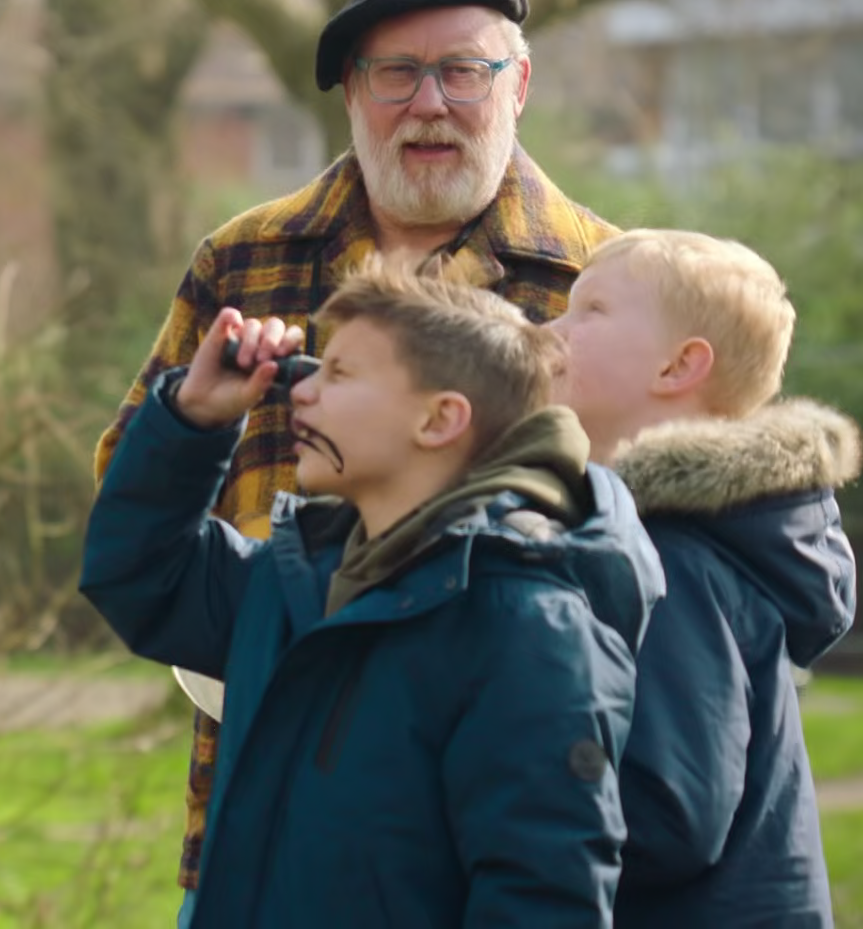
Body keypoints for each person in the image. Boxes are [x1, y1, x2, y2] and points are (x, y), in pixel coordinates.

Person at [93, 0, 621, 921]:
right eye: (395, 73)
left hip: (507, 805)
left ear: (519, 86)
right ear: (350, 93)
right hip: (269, 795)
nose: (429, 104)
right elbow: (134, 504)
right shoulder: (243, 259)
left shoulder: (601, 282)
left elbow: (653, 543)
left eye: (463, 71)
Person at [82, 259, 664, 927]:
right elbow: (138, 575)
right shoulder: (297, 583)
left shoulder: (529, 630)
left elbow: (541, 901)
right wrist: (192, 421)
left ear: (439, 419)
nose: (298, 391)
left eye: (339, 374)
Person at [550, 230, 860, 927]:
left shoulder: (669, 554)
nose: (553, 328)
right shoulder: (655, 534)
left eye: (590, 310)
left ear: (679, 365)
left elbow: (668, 813)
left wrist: (487, 807)